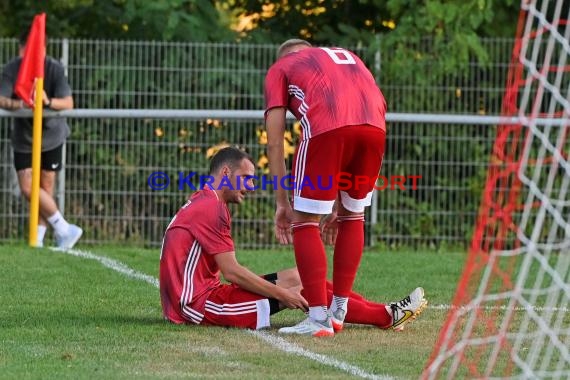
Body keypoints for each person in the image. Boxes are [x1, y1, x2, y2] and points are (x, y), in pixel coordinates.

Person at [159, 147, 425, 333]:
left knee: (302, 277)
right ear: (226, 172)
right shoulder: (211, 208)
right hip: (199, 307)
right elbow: (232, 273)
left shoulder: (205, 200)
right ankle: (385, 316)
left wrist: (281, 292)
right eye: (247, 178)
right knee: (301, 290)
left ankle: (385, 311)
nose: (250, 187)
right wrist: (282, 295)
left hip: (203, 297)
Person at [263, 39, 427, 336]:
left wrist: (282, 203)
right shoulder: (347, 57)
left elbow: (275, 141)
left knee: (305, 221)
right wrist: (340, 204)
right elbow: (365, 107)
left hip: (328, 128)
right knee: (353, 217)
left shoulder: (282, 66)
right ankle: (339, 310)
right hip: (375, 127)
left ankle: (318, 317)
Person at [0, 31, 82, 249]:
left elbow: (68, 103)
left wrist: (47, 101)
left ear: (44, 49)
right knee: (28, 188)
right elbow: (2, 97)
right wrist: (19, 104)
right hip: (24, 138)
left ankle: (38, 241)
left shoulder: (54, 68)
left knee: (45, 188)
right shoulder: (13, 67)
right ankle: (64, 228)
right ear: (21, 49)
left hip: (52, 136)